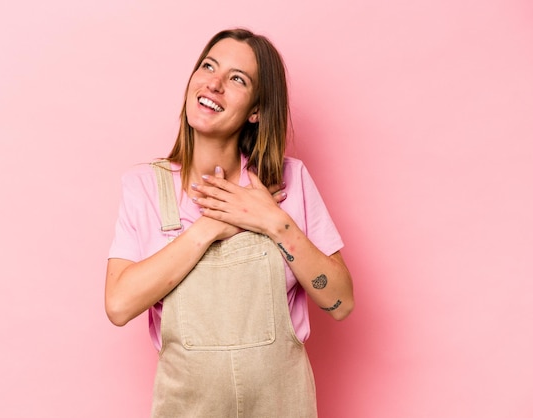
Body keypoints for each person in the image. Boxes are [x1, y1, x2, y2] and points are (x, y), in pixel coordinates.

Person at [105, 28, 354, 417]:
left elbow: (340, 302)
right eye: (208, 67)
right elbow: (119, 305)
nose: (214, 84)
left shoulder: (290, 181)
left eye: (237, 79)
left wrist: (275, 222)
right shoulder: (145, 187)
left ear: (256, 110)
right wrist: (212, 227)